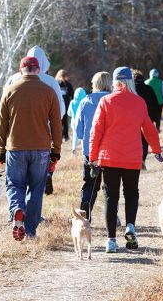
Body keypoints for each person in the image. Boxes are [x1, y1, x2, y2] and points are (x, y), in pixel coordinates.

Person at [89, 66, 162, 253]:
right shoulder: (139, 102)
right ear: (130, 81)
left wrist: (93, 156)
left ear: (115, 82)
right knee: (131, 193)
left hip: (109, 158)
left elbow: (96, 131)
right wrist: (156, 150)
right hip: (132, 158)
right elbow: (149, 129)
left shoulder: (106, 101)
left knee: (110, 198)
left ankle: (111, 241)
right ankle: (130, 226)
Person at [0, 56, 62, 241]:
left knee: (15, 184)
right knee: (36, 188)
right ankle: (31, 232)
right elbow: (57, 125)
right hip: (41, 148)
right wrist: (56, 150)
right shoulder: (49, 92)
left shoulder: (10, 91)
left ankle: (17, 209)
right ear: (38, 70)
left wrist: (2, 148)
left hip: (15, 147)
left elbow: (1, 123)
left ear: (20, 70)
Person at [5, 45, 65, 196]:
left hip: (16, 136)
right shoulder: (51, 82)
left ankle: (19, 210)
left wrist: (2, 143)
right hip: (42, 136)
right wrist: (56, 146)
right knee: (36, 180)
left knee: (17, 179)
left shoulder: (13, 79)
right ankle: (32, 212)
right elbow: (60, 112)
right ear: (44, 63)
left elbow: (3, 111)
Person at [75, 72, 111, 220]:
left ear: (94, 83)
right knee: (110, 186)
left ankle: (84, 215)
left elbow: (78, 130)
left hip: (90, 152)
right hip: (110, 151)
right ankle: (112, 216)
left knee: (90, 184)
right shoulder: (112, 100)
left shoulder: (85, 101)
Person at [5, 45, 65, 119]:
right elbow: (59, 110)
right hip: (43, 127)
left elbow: (4, 107)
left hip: (16, 127)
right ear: (44, 61)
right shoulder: (51, 82)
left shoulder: (13, 79)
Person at [132, 69, 158, 169]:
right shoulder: (149, 89)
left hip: (133, 120)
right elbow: (155, 105)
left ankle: (136, 160)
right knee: (145, 141)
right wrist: (155, 119)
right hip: (148, 119)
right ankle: (142, 159)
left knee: (135, 140)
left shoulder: (131, 90)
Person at [55, 69, 74, 141]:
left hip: (57, 104)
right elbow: (72, 95)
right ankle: (65, 136)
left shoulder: (55, 83)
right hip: (65, 104)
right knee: (64, 120)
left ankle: (59, 136)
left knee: (58, 120)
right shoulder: (67, 84)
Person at [67, 87, 86, 154]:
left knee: (75, 135)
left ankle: (73, 149)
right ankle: (84, 151)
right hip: (82, 121)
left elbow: (69, 113)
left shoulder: (72, 102)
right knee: (83, 136)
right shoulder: (85, 102)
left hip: (74, 122)